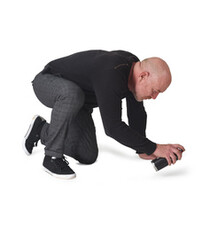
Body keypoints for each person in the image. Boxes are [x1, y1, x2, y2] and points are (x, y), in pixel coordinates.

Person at [23, 50, 185, 180]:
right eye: (155, 91)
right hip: (47, 82)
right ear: (143, 76)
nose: (154, 97)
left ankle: (41, 130)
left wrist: (143, 149)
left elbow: (136, 111)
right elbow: (113, 127)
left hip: (79, 103)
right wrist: (155, 147)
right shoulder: (111, 73)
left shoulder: (134, 68)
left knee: (88, 155)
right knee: (72, 94)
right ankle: (51, 157)